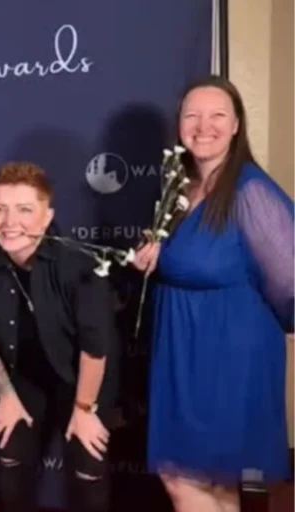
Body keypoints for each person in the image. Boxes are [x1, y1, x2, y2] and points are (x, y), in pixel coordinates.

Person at [132, 75, 294, 512]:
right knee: (214, 486)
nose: (204, 125)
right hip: (181, 351)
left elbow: (291, 285)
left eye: (218, 115)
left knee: (183, 479)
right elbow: (190, 259)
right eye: (192, 115)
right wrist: (155, 259)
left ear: (237, 124)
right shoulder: (179, 188)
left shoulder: (251, 190)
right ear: (180, 124)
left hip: (228, 356)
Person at [0, 162, 120, 512]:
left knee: (88, 459)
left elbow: (95, 348)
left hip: (81, 380)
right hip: (21, 377)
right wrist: (6, 395)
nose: (9, 222)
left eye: (25, 210)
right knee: (10, 454)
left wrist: (84, 409)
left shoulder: (79, 266)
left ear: (47, 218)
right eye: (0, 209)